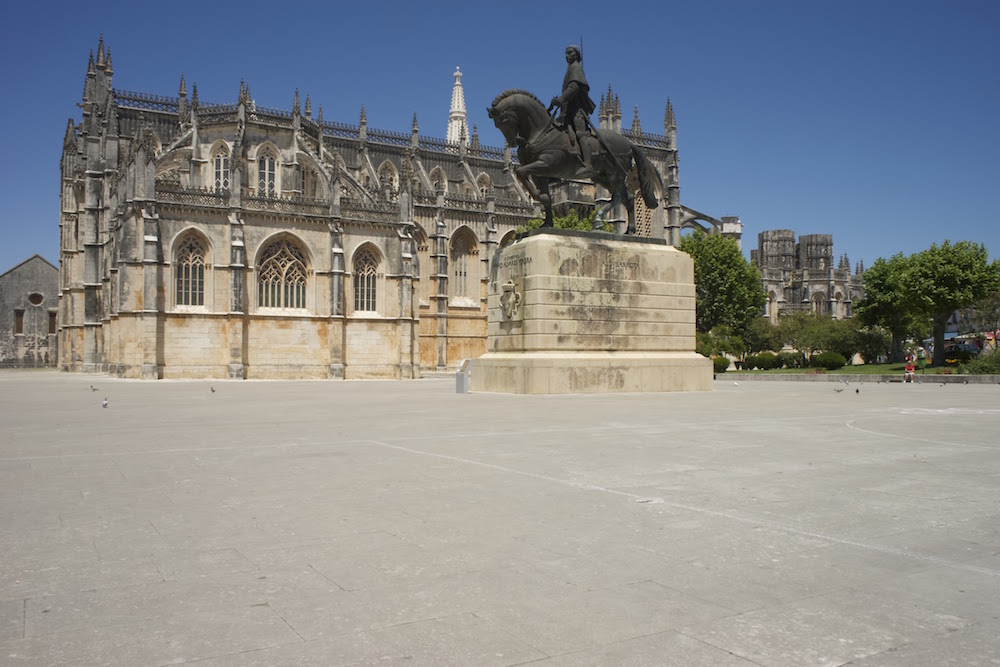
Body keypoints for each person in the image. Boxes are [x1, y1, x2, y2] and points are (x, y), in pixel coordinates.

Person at [550, 45, 598, 170]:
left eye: (570, 53)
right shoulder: (570, 69)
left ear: (576, 55)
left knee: (581, 133)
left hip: (577, 110)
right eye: (565, 53)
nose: (567, 56)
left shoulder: (576, 68)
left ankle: (588, 163)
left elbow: (574, 87)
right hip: (567, 110)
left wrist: (561, 99)